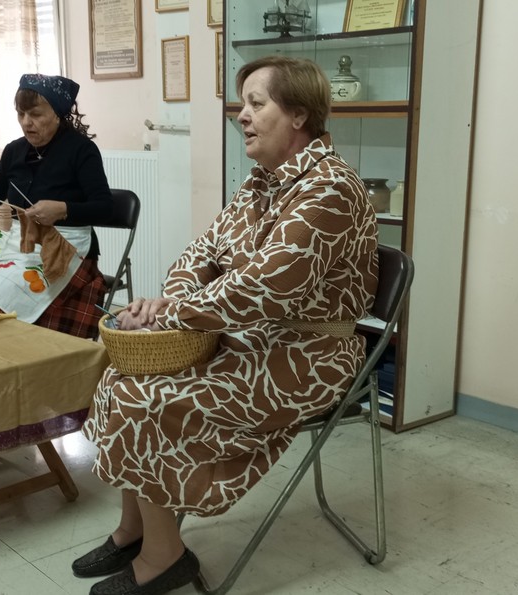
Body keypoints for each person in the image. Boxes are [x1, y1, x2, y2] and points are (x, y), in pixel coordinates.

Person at [73, 56, 379, 595]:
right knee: (121, 379)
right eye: (244, 103)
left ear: (299, 115)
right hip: (251, 336)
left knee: (149, 399)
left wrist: (167, 313)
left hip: (311, 353)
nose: (242, 115)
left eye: (257, 103)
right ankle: (134, 530)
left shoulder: (330, 189)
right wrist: (172, 299)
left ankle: (165, 557)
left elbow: (263, 286)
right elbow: (203, 253)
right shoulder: (261, 184)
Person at [0, 73, 115, 340]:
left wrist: (63, 209)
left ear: (57, 114)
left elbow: (105, 207)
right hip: (20, 243)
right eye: (21, 113)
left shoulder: (82, 150)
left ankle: (17, 350)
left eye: (35, 114)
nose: (26, 122)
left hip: (66, 248)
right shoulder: (14, 151)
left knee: (2, 292)